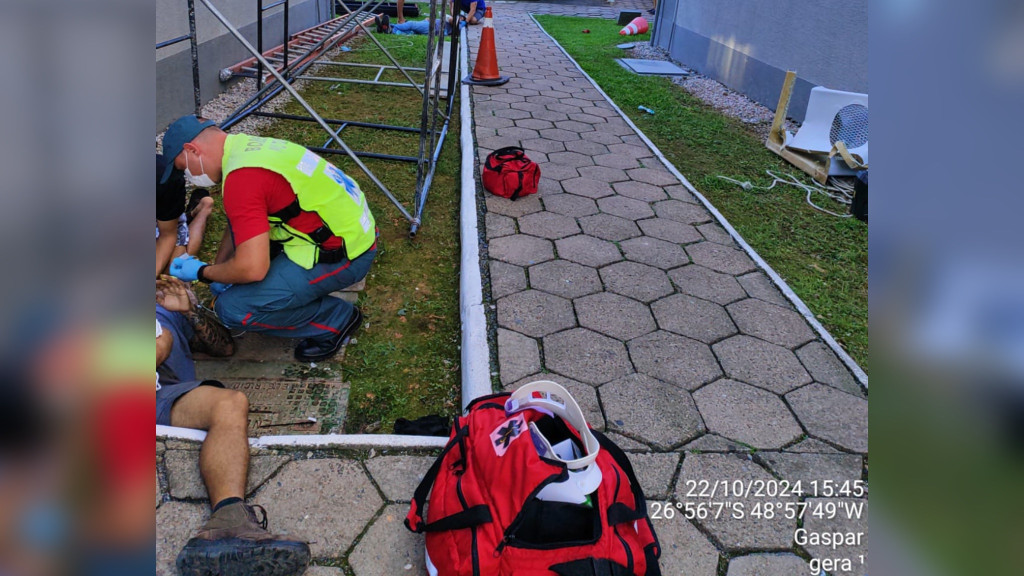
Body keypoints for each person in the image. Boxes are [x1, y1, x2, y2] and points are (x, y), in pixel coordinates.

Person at [159, 115, 377, 362]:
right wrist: (219, 270)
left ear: (192, 150)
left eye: (184, 168)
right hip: (344, 230)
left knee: (232, 309)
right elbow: (237, 221)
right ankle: (294, 292)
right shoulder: (244, 148)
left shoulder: (242, 180)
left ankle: (336, 320)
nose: (189, 177)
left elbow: (252, 269)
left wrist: (202, 272)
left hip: (348, 254)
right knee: (232, 280)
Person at [156, 275, 310, 576]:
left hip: (159, 398)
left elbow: (224, 348)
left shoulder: (162, 304)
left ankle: (228, 522)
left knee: (230, 403)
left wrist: (190, 312)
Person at [156, 154, 214, 277]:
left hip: (161, 219)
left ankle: (203, 210)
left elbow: (167, 235)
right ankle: (187, 214)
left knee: (173, 270)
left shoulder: (164, 177)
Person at [374, 12, 454, 35]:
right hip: (430, 24)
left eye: (461, 18)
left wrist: (450, 17)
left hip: (433, 27)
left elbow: (453, 22)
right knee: (410, 30)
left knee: (411, 24)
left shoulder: (461, 24)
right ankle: (385, 28)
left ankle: (387, 27)